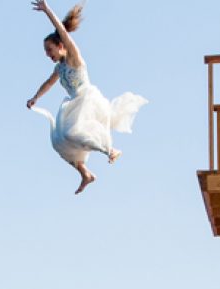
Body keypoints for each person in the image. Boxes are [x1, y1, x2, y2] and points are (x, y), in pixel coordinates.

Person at [26, 0, 147, 194]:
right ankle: (85, 174)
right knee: (59, 142)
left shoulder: (74, 57)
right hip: (74, 104)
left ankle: (110, 150)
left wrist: (47, 10)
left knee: (71, 133)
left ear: (60, 45)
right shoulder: (59, 68)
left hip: (88, 100)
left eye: (49, 50)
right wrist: (35, 98)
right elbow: (48, 83)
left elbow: (63, 32)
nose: (48, 54)